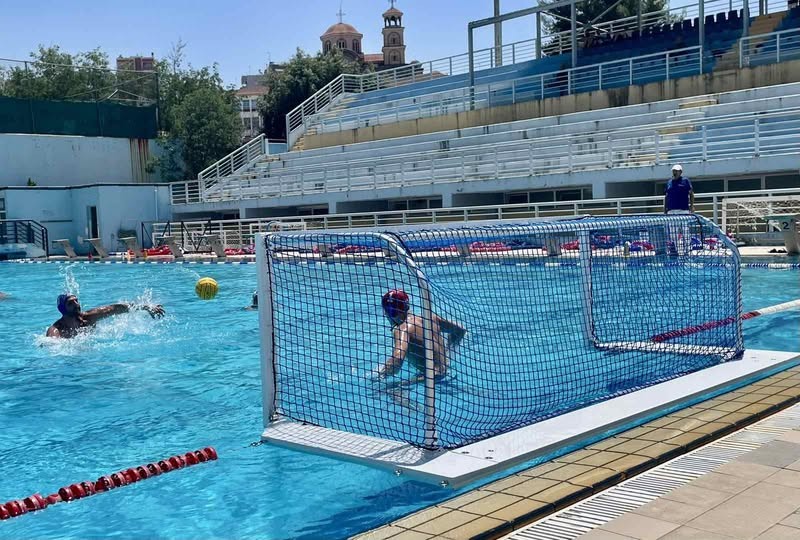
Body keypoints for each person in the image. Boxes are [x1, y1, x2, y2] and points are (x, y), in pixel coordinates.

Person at [377, 289, 466, 381]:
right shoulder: (430, 319)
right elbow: (460, 330)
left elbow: (397, 359)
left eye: (391, 312)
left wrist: (380, 375)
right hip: (445, 370)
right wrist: (448, 352)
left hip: (429, 378)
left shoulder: (402, 329)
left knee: (390, 387)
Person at [46, 294, 165, 339]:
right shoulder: (56, 330)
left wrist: (145, 307)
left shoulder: (89, 317)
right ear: (63, 309)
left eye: (76, 301)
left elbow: (116, 308)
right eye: (71, 303)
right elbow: (52, 345)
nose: (77, 305)